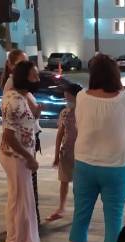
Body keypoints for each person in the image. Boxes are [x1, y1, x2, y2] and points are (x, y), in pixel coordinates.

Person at [70, 54, 125, 242]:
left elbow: (80, 124)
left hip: (84, 164)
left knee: (81, 215)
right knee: (114, 219)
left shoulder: (81, 96)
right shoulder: (124, 99)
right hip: (115, 167)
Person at [0, 61, 43, 242]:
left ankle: (12, 241)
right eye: (34, 76)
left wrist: (35, 114)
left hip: (14, 156)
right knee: (24, 202)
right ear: (24, 77)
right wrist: (29, 158)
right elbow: (9, 136)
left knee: (16, 200)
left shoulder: (15, 96)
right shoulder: (16, 101)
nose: (38, 79)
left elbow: (22, 125)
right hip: (17, 157)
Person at [48, 83, 83, 222]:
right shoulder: (65, 113)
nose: (66, 100)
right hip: (66, 152)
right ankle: (61, 208)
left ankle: (79, 209)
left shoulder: (84, 113)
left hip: (81, 153)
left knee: (79, 183)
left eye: (68, 97)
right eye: (65, 97)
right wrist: (57, 154)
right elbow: (60, 134)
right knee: (64, 180)